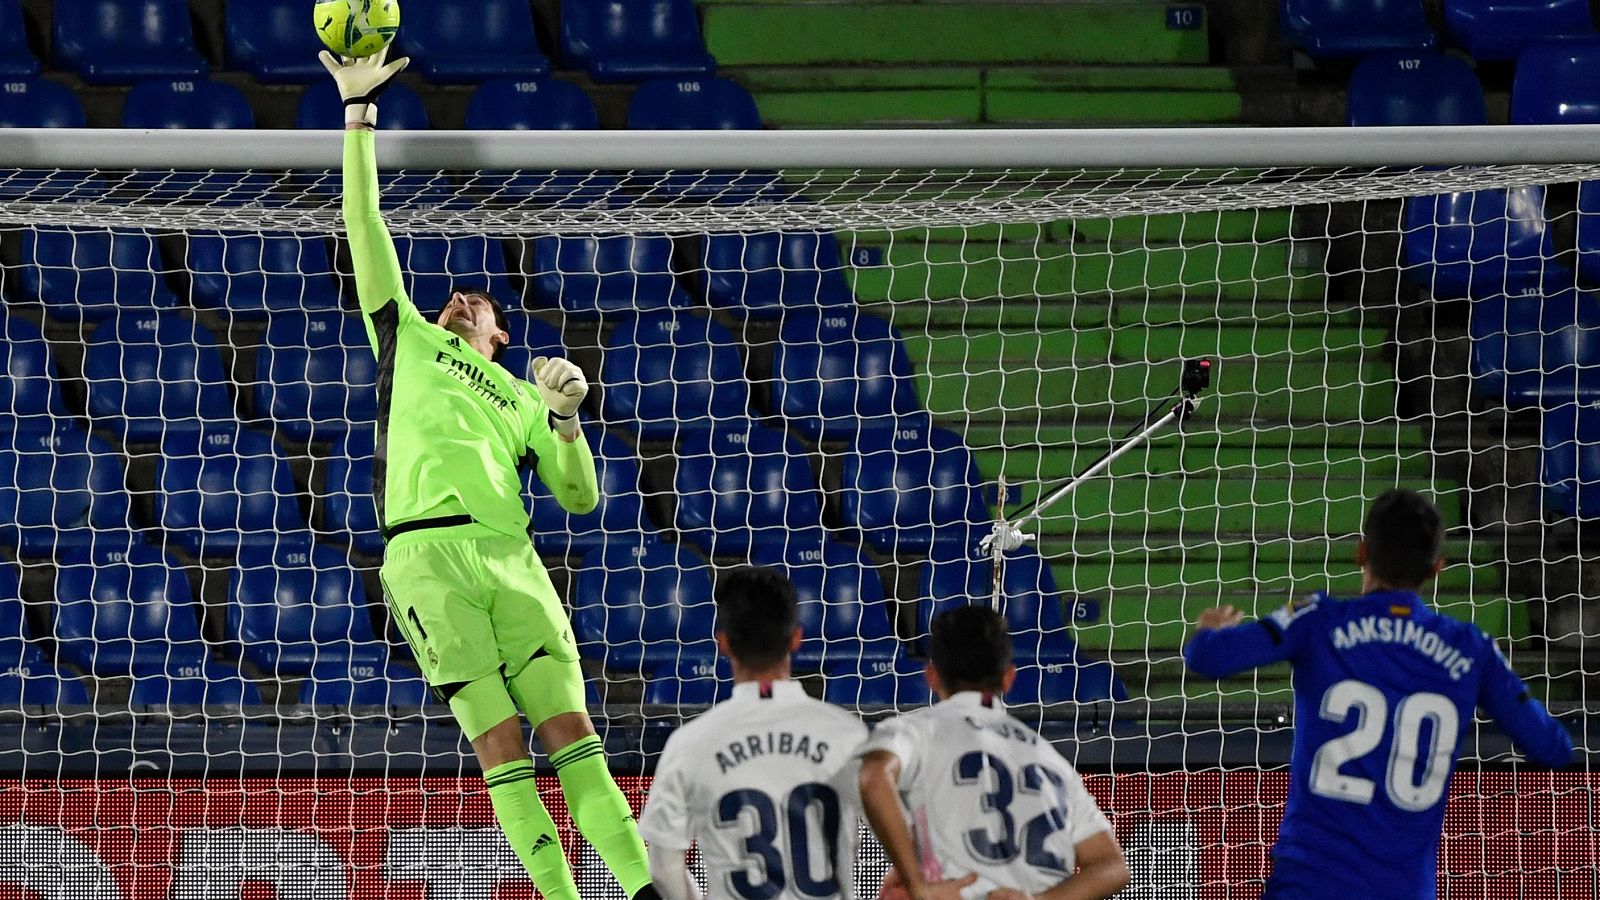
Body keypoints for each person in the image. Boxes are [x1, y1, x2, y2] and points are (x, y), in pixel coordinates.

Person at [319, 49, 655, 900]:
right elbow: (366, 228)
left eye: (484, 302)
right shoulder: (406, 336)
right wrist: (358, 117)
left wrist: (569, 421)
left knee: (576, 739)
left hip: (512, 558)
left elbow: (580, 499)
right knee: (501, 749)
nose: (463, 296)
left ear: (500, 336)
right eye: (458, 294)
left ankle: (648, 891)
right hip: (426, 557)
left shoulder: (520, 397)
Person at [1184, 487, 1574, 899]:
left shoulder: (1318, 621)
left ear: (1361, 553)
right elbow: (1553, 747)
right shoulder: (1472, 650)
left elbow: (1207, 658)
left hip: (1310, 886)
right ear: (1437, 567)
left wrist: (1209, 631)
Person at [858, 606, 1129, 900]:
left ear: (931, 676)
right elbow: (1112, 866)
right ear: (1009, 678)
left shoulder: (916, 732)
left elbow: (874, 776)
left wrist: (915, 881)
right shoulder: (1049, 758)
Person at [639, 566, 869, 900]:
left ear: (723, 642)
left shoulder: (690, 743)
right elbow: (905, 837)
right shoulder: (848, 735)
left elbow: (663, 865)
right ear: (796, 638)